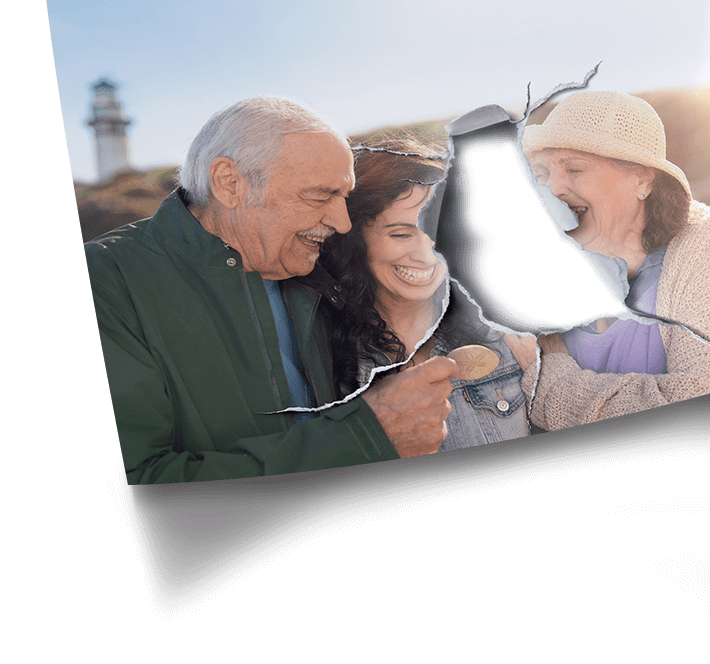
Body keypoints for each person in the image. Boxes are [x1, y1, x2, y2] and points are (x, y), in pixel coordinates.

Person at [85, 97, 460, 483]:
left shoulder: (309, 263)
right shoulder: (105, 281)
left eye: (344, 197)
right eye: (320, 195)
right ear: (230, 183)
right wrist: (366, 440)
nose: (342, 222)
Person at [516, 90, 710, 430]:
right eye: (541, 172)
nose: (553, 189)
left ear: (642, 178)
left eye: (575, 169)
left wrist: (549, 379)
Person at [319, 138, 529, 450]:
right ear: (355, 238)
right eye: (401, 234)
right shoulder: (326, 360)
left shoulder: (504, 329)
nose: (425, 253)